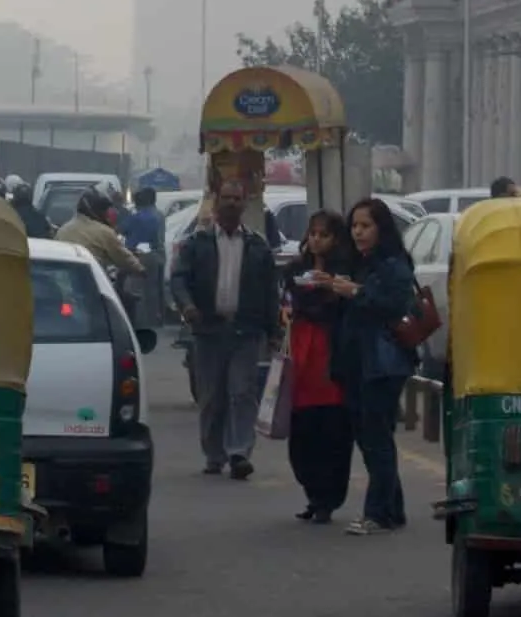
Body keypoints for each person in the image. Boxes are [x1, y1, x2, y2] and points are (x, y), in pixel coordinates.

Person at [168, 193, 277, 478]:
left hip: (246, 331)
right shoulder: (196, 244)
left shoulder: (257, 246)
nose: (231, 203)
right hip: (208, 331)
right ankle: (214, 455)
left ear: (244, 205)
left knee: (242, 392)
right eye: (226, 198)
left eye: (236, 198)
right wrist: (188, 306)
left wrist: (273, 331)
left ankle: (239, 452)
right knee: (212, 395)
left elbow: (270, 292)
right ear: (216, 206)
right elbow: (178, 279)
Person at [329, 197, 418, 534]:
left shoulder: (393, 264)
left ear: (381, 228)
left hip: (383, 364)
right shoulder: (360, 262)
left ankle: (376, 512)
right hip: (356, 362)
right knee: (369, 439)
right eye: (354, 226)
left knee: (377, 438)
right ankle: (393, 508)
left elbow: (395, 304)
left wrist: (356, 292)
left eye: (365, 226)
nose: (358, 232)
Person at [284, 209, 356, 523]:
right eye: (312, 233)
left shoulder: (346, 270)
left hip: (330, 358)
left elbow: (345, 306)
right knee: (301, 433)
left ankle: (328, 498)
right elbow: (285, 300)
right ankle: (312, 493)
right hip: (301, 355)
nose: (316, 240)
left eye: (323, 234)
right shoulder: (295, 269)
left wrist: (330, 287)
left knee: (332, 432)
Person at [58, 186, 142, 289]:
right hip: (93, 285)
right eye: (104, 210)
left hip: (64, 284)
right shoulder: (104, 232)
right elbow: (123, 257)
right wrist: (141, 269)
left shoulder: (63, 229)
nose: (107, 213)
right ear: (95, 210)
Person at [120, 187, 167, 325]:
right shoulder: (159, 215)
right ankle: (157, 318)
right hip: (158, 254)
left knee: (137, 289)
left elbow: (122, 230)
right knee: (155, 289)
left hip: (139, 255)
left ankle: (140, 321)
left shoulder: (136, 217)